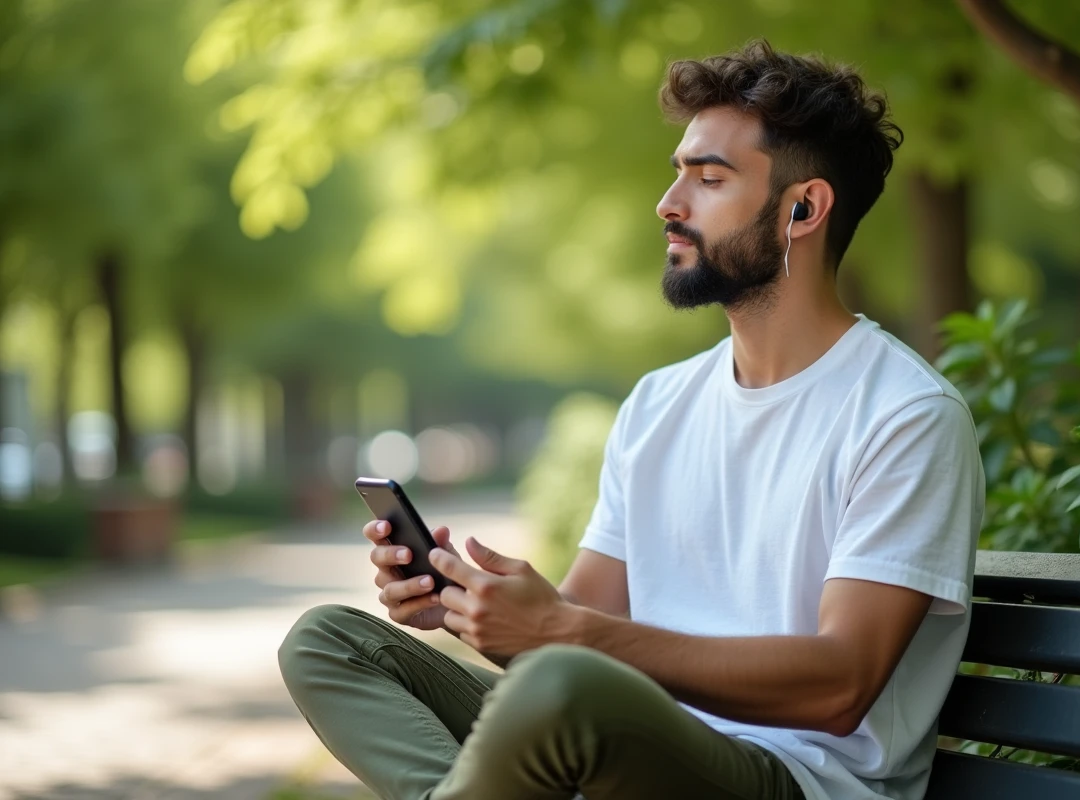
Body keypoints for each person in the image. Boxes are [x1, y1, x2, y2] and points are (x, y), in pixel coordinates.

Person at [278, 39, 984, 800]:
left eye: (709, 178)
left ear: (803, 208)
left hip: (792, 780)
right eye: (678, 171)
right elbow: (578, 618)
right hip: (618, 744)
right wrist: (469, 605)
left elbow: (841, 686)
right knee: (331, 642)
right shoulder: (659, 404)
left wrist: (562, 634)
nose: (669, 203)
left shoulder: (905, 416)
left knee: (565, 691)